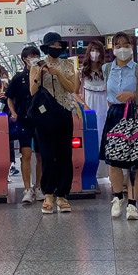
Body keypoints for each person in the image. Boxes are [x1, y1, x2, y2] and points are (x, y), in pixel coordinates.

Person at [28, 32, 80, 215]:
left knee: (65, 155)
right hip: (44, 115)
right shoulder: (37, 65)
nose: (56, 49)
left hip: (64, 112)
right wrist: (39, 74)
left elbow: (72, 88)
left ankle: (63, 194)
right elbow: (33, 91)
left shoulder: (67, 65)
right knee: (47, 155)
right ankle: (48, 193)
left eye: (59, 46)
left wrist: (57, 73)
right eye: (53, 46)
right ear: (47, 47)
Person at [103, 32, 138, 221]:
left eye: (126, 45)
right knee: (113, 160)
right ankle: (118, 197)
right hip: (114, 115)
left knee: (134, 162)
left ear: (132, 47)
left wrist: (133, 95)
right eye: (118, 45)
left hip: (134, 115)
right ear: (112, 48)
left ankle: (133, 204)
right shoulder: (106, 69)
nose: (122, 49)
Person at [5, 44, 43, 206]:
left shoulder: (44, 76)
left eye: (36, 56)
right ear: (24, 59)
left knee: (41, 155)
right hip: (23, 119)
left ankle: (39, 186)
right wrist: (13, 112)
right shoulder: (18, 78)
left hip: (41, 119)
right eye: (30, 57)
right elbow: (9, 97)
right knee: (26, 154)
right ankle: (27, 188)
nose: (33, 59)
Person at [78, 40, 109, 120]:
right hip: (89, 108)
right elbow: (74, 93)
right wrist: (83, 105)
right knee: (91, 130)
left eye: (98, 51)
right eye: (92, 50)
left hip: (105, 108)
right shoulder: (81, 72)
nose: (95, 53)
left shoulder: (107, 71)